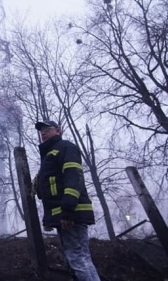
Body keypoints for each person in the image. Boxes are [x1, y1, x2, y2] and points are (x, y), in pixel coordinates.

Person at [34, 120, 101, 281]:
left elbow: (73, 177)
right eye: (41, 130)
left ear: (58, 130)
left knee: (77, 258)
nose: (43, 132)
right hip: (65, 212)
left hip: (72, 212)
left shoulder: (65, 147)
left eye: (47, 129)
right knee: (80, 257)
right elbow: (52, 188)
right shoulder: (50, 154)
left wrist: (68, 211)